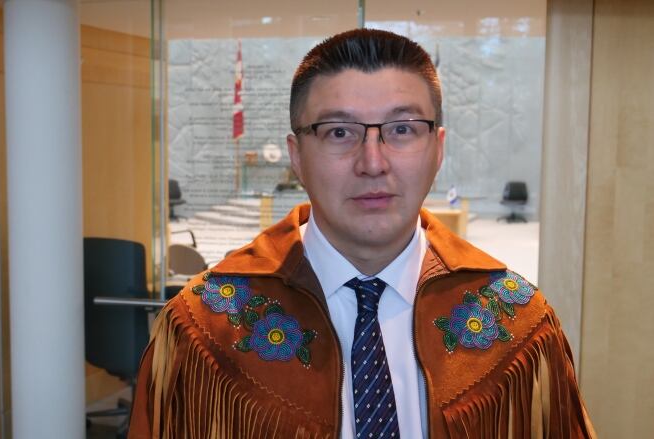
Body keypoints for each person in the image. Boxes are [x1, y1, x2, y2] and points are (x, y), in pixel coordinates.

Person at [129, 29, 595, 438]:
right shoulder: (206, 330)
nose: (373, 162)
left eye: (402, 129)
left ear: (437, 149)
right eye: (338, 133)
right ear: (296, 156)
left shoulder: (515, 327)